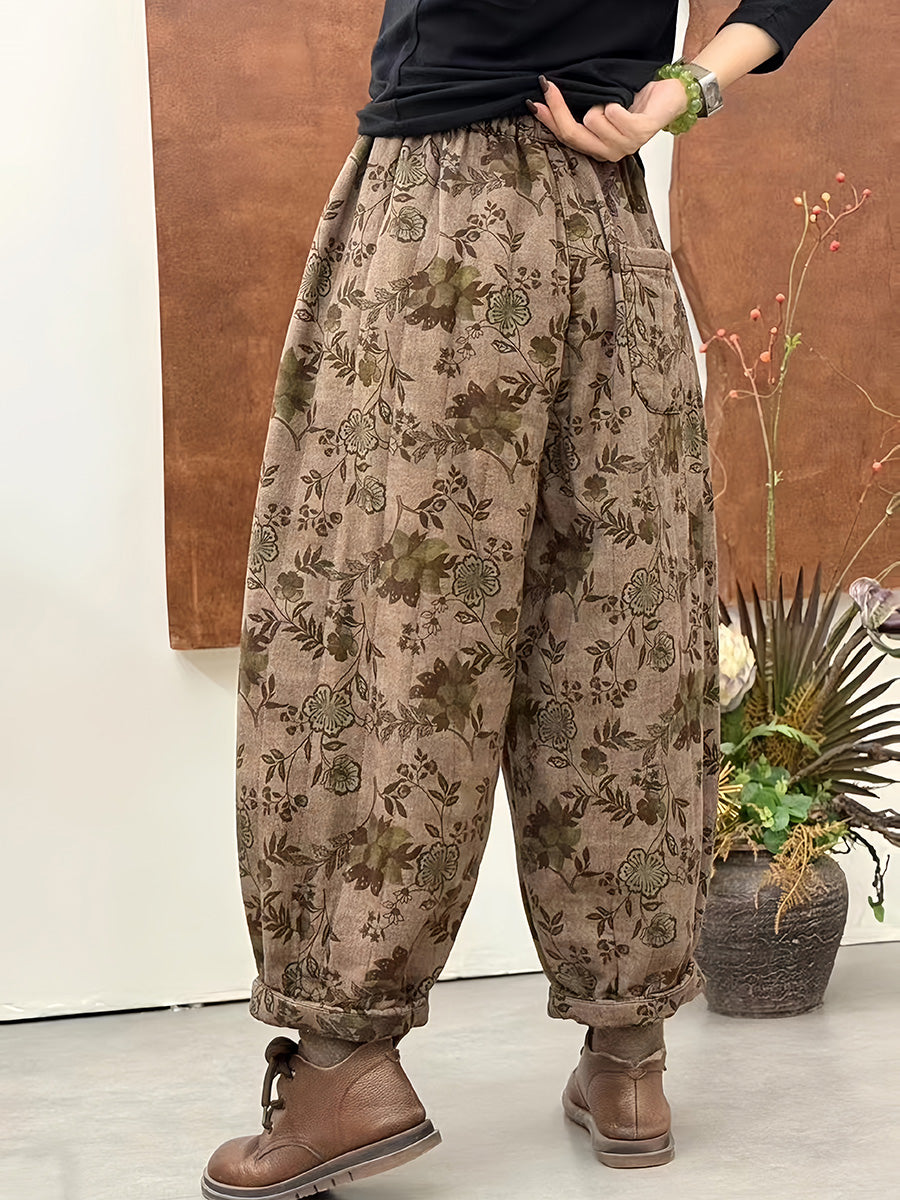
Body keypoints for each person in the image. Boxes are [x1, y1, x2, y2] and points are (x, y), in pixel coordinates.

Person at [202, 2, 835, 1196]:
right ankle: (629, 1058)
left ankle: (344, 1068)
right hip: (609, 221)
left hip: (434, 220)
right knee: (618, 634)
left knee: (385, 633)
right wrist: (684, 90)